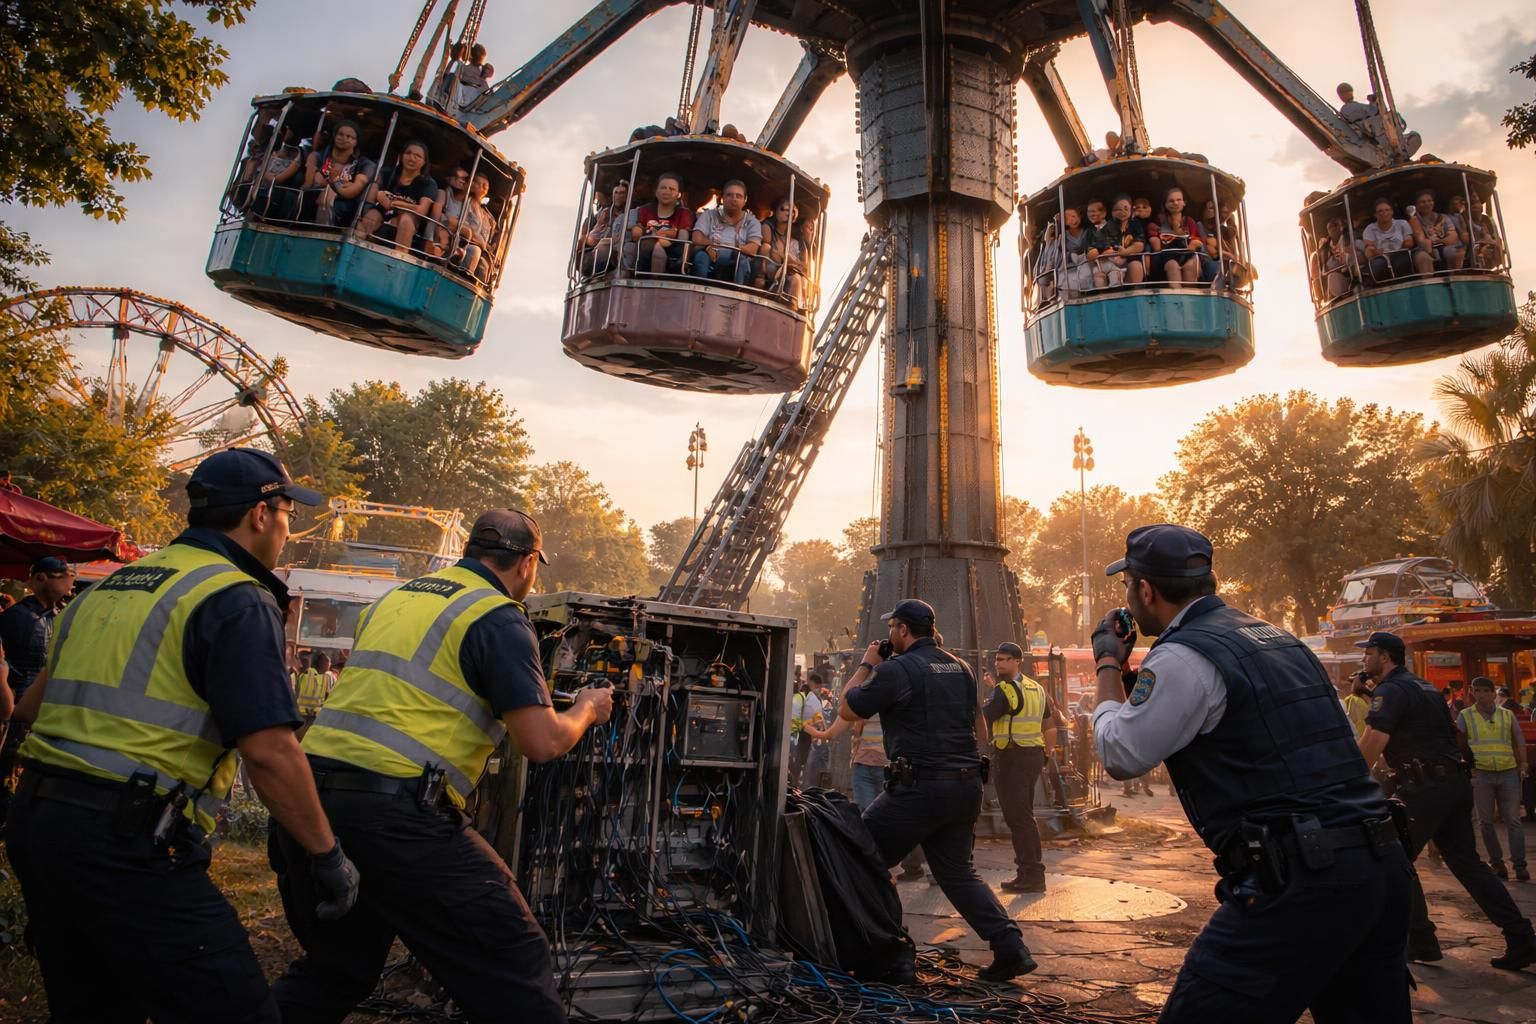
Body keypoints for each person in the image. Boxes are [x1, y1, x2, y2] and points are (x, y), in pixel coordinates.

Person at [5, 449, 358, 1024]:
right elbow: (269, 752)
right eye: (290, 514)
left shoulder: (104, 592)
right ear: (261, 514)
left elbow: (28, 708)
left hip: (39, 824)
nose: (290, 531)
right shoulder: (235, 597)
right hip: (127, 839)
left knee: (92, 1007)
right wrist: (327, 854)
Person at [271, 509, 614, 1023]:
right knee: (515, 956)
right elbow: (541, 742)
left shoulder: (400, 598)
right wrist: (586, 708)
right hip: (397, 818)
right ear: (526, 564)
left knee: (336, 968)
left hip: (310, 804)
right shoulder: (497, 616)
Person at [1093, 525, 1414, 1021]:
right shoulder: (1277, 639)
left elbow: (1120, 753)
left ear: (1146, 589)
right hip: (1379, 865)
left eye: (1127, 585)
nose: (1127, 596)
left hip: (1304, 879)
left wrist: (1108, 667)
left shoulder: (1183, 655)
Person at [829, 599, 1037, 982]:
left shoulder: (896, 669)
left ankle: (892, 953)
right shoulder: (962, 668)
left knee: (859, 856)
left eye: (891, 627)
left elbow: (846, 710)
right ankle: (1011, 948)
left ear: (903, 630)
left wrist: (867, 664)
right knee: (957, 873)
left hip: (919, 787)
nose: (888, 635)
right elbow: (980, 728)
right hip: (965, 784)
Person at [1355, 631, 1536, 968]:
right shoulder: (1421, 686)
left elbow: (1375, 739)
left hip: (1422, 788)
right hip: (1452, 783)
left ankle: (1421, 938)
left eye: (1368, 653)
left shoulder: (1391, 690)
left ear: (1384, 656)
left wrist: (1347, 782)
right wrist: (1372, 694)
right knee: (1467, 862)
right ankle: (1521, 936)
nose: (1364, 660)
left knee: (1393, 859)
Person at [983, 642, 1056, 894]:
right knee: (1025, 816)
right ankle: (1029, 872)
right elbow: (1050, 723)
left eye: (1004, 659)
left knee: (1018, 818)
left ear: (1017, 661)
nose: (998, 663)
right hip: (1032, 756)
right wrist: (1046, 754)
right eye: (997, 659)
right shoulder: (1037, 688)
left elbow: (987, 715)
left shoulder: (1002, 689)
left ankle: (1032, 874)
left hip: (1012, 757)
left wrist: (990, 694)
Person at [1456, 676, 1530, 881]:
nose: (1480, 695)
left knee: (1513, 821)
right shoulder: (1465, 716)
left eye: (1484, 691)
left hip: (1508, 772)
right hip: (1481, 774)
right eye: (1476, 691)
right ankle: (1497, 863)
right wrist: (1469, 770)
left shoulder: (1507, 715)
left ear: (1492, 692)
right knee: (1485, 822)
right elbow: (1460, 745)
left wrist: (1523, 763)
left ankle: (1520, 865)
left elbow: (1519, 740)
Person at [354, 140, 439, 254]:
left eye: (417, 156)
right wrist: (380, 197)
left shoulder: (428, 183)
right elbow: (375, 194)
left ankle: (399, 259)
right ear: (401, 156)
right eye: (408, 153)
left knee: (406, 220)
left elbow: (421, 210)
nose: (412, 158)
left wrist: (396, 204)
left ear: (424, 162)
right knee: (371, 216)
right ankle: (355, 249)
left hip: (410, 221)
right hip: (383, 212)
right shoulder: (387, 173)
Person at [302, 120, 374, 228]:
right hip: (315, 195)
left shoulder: (364, 164)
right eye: (340, 134)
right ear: (334, 136)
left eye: (350, 137)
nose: (344, 138)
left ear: (356, 142)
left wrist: (334, 182)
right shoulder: (319, 157)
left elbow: (352, 192)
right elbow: (310, 184)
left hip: (345, 202)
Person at [690, 179, 762, 285]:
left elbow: (753, 249)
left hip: (737, 258)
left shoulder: (753, 222)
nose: (734, 199)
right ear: (722, 198)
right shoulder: (709, 215)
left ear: (745, 200)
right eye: (729, 195)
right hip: (710, 254)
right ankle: (698, 290)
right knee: (701, 257)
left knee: (741, 260)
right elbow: (697, 238)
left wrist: (733, 248)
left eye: (738, 196)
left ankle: (738, 294)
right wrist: (708, 246)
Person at [629, 172, 693, 276]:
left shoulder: (684, 213)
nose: (667, 191)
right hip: (645, 248)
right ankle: (637, 276)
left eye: (671, 189)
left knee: (657, 247)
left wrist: (663, 240)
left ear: (678, 194)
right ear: (656, 192)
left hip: (673, 249)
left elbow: (683, 239)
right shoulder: (645, 210)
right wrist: (637, 229)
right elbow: (638, 231)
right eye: (663, 188)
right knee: (648, 243)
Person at [754, 196, 810, 304]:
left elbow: (804, 267)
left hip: (788, 275)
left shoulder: (797, 240)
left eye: (792, 211)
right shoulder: (768, 228)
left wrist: (786, 258)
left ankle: (792, 307)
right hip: (768, 271)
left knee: (796, 279)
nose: (789, 213)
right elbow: (768, 251)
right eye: (783, 209)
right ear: (775, 212)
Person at [1148, 188, 1205, 284]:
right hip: (1166, 255)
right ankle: (1176, 295)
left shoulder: (1189, 221)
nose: (1175, 203)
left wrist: (1193, 244)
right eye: (1171, 201)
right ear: (1165, 205)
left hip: (1186, 253)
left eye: (1179, 200)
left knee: (1190, 266)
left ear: (1184, 203)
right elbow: (1155, 244)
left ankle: (1189, 295)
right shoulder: (1157, 221)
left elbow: (1197, 240)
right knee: (1172, 266)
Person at [1362, 198, 1427, 282]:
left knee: (1402, 262)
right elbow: (1369, 248)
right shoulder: (1370, 229)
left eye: (1387, 210)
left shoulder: (1402, 223)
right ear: (1375, 214)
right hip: (1380, 256)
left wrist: (1400, 249)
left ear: (1392, 212)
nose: (1384, 213)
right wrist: (1374, 251)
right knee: (1377, 265)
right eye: (1380, 211)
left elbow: (1409, 242)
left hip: (1401, 252)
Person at [577, 179, 629, 276]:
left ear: (627, 196)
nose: (618, 196)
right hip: (604, 249)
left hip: (622, 250)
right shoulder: (605, 214)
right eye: (616, 193)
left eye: (622, 193)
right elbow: (592, 239)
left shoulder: (631, 214)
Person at [1409, 190, 1464, 271]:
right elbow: (1422, 241)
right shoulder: (1414, 220)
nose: (1427, 204)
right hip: (1422, 250)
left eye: (1429, 201)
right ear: (1417, 205)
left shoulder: (1443, 217)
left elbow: (1453, 237)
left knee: (1455, 253)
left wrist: (1440, 241)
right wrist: (1432, 246)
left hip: (1444, 246)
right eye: (1423, 202)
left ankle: (1455, 278)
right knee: (1423, 257)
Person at [295, 650, 336, 735]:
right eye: (328, 663)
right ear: (321, 663)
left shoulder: (304, 675)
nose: (329, 665)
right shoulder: (327, 677)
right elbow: (329, 695)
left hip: (303, 713)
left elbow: (297, 692)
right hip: (314, 716)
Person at [1315, 216, 1356, 301]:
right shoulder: (1325, 249)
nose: (1333, 228)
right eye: (1330, 227)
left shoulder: (1350, 239)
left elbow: (1355, 260)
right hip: (1337, 280)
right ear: (1328, 231)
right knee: (1332, 277)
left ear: (1341, 227)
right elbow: (1324, 270)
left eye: (1336, 225)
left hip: (1352, 276)